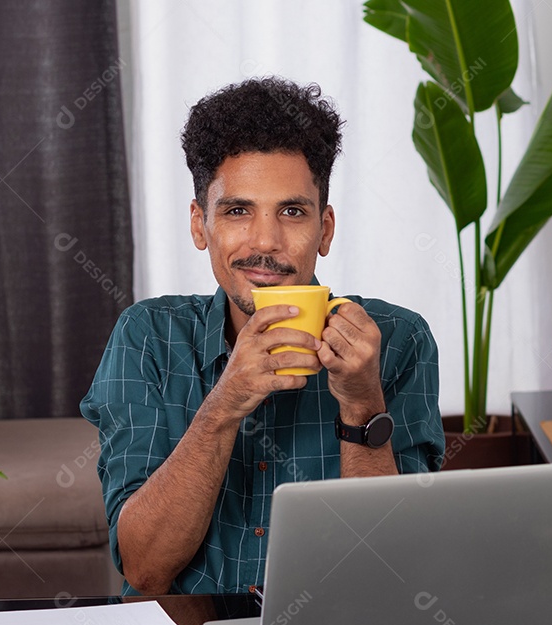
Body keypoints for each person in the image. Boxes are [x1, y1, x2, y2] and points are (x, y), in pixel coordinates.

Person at [80, 77, 444, 597]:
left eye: (292, 212)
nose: (266, 242)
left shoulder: (397, 339)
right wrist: (224, 403)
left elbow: (392, 571)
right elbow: (144, 568)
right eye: (237, 210)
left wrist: (363, 403)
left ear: (325, 229)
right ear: (200, 225)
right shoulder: (148, 338)